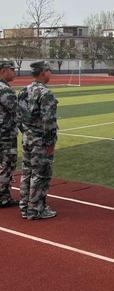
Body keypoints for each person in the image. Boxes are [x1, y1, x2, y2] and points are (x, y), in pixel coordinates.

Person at [18, 61, 58, 219]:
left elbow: (18, 117)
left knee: (27, 173)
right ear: (43, 73)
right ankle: (36, 209)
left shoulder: (23, 90)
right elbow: (49, 121)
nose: (51, 73)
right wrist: (50, 143)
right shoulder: (45, 93)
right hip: (40, 140)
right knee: (41, 174)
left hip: (27, 138)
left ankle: (25, 207)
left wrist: (27, 132)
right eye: (49, 70)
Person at [0, 60, 19, 208]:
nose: (14, 72)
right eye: (12, 69)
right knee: (8, 165)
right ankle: (2, 197)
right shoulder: (5, 89)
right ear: (4, 70)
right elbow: (16, 110)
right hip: (5, 135)